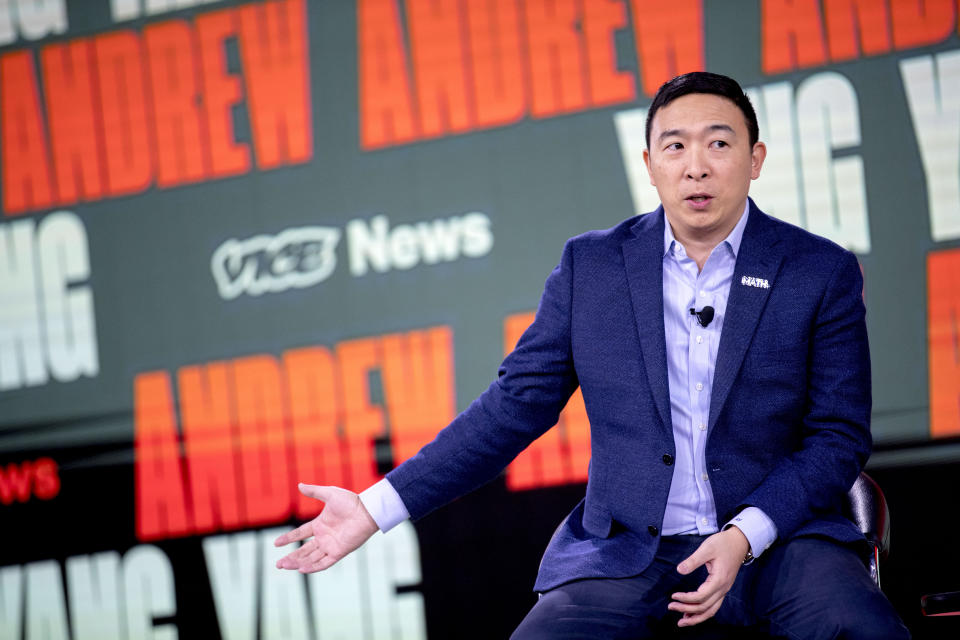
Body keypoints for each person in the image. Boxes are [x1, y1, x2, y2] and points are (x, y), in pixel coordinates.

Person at [275, 72, 910, 639]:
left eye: (719, 143)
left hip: (782, 541)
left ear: (755, 159)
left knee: (861, 630)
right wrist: (375, 507)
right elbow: (511, 409)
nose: (697, 166)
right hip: (630, 553)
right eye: (675, 146)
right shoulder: (593, 267)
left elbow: (837, 436)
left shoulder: (817, 269)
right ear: (650, 164)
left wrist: (745, 535)